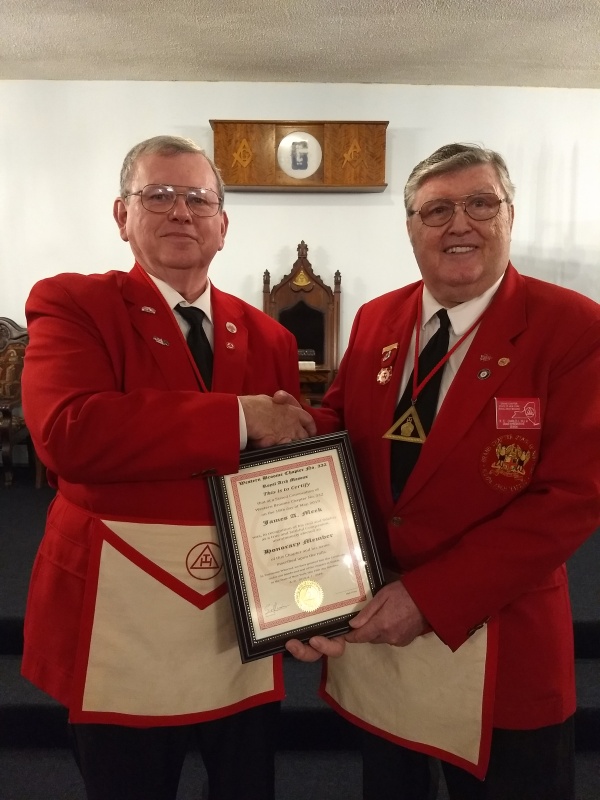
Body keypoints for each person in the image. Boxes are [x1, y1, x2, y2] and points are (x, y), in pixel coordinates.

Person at [286, 143, 600, 800]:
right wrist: (283, 428)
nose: (460, 224)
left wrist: (431, 598)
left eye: (481, 203)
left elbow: (572, 496)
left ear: (510, 215)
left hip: (499, 638)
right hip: (380, 627)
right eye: (437, 210)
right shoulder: (377, 318)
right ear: (410, 227)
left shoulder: (574, 327)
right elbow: (341, 424)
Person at [21, 134, 316, 800]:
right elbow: (70, 432)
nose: (180, 211)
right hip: (121, 613)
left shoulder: (270, 336)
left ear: (223, 226)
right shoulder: (75, 304)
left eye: (198, 199)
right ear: (122, 215)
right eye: (157, 195)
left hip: (239, 616)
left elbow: (282, 478)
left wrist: (313, 591)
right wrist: (238, 418)